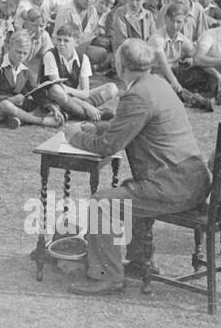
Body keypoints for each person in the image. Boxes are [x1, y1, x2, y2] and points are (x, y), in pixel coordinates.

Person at [63, 39, 212, 296]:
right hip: (192, 180)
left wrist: (74, 135)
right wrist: (98, 127)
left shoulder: (136, 95)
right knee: (127, 192)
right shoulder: (158, 84)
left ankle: (107, 275)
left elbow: (108, 146)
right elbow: (134, 124)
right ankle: (141, 262)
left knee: (102, 203)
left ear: (120, 65)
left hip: (173, 185)